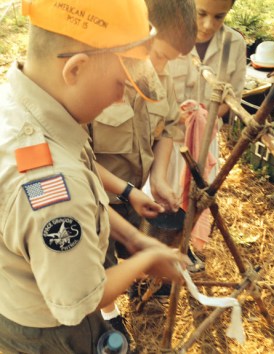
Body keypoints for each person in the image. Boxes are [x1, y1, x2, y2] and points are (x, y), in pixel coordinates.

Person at [0, 1, 188, 352]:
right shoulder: (53, 186)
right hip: (50, 333)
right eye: (120, 83)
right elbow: (81, 298)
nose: (122, 96)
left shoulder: (28, 105)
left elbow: (90, 186)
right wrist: (148, 260)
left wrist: (133, 238)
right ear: (75, 70)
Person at [88, 0, 197, 343]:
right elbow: (77, 156)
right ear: (139, 35)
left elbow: (169, 129)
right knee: (99, 260)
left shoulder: (159, 74)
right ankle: (109, 315)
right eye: (160, 55)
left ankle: (137, 283)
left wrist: (159, 178)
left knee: (134, 242)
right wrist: (125, 191)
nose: (161, 67)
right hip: (97, 195)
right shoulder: (97, 77)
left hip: (134, 191)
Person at [168, 0, 246, 261]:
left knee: (198, 194)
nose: (207, 25)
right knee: (167, 192)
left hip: (207, 135)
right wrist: (178, 117)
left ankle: (185, 246)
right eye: (201, 14)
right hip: (170, 137)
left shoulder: (234, 44)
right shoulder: (169, 36)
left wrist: (204, 117)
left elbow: (232, 96)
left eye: (219, 17)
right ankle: (162, 247)